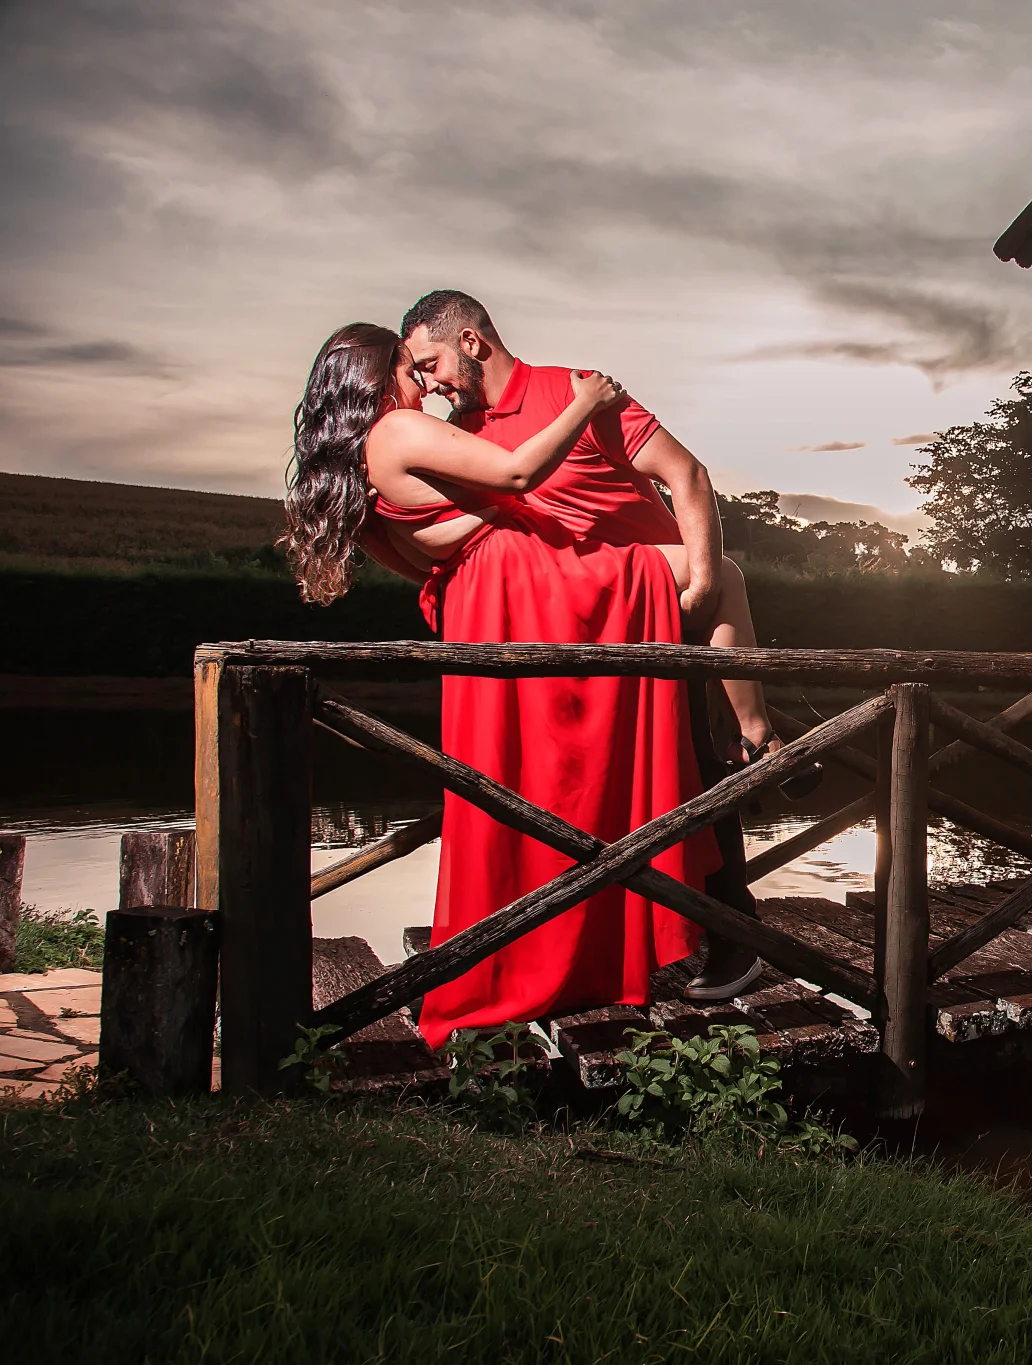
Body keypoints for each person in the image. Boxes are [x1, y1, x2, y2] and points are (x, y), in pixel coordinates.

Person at [282, 322, 727, 1048]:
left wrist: (468, 548)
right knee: (709, 587)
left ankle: (526, 948)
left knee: (519, 777)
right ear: (372, 374)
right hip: (529, 584)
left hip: (485, 603)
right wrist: (586, 403)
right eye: (408, 366)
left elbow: (420, 566)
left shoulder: (356, 472)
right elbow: (520, 474)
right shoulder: (394, 433)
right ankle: (751, 732)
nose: (422, 383)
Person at [397, 290, 814, 997]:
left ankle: (734, 941)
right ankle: (596, 945)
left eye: (431, 362)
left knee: (695, 775)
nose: (429, 383)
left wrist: (704, 583)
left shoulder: (574, 390)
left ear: (471, 341)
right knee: (580, 805)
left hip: (657, 615)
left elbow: (687, 475)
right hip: (572, 645)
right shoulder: (464, 436)